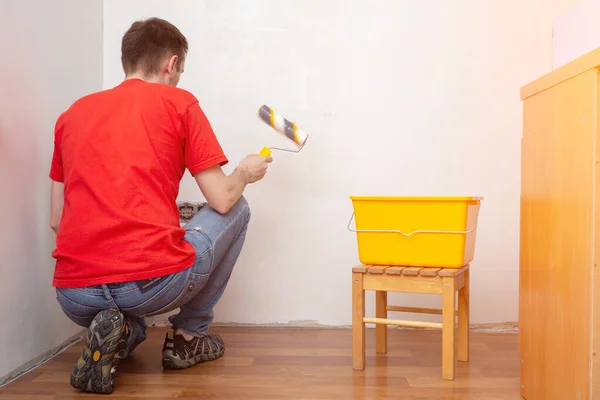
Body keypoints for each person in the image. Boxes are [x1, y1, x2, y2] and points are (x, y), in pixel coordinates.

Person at [48, 17, 272, 394]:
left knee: (132, 289)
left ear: (127, 61)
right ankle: (189, 336)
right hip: (148, 286)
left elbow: (58, 220)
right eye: (179, 71)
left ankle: (123, 333)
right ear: (171, 64)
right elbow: (222, 198)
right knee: (239, 208)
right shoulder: (179, 103)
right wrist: (244, 172)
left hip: (74, 294)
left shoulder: (71, 115)